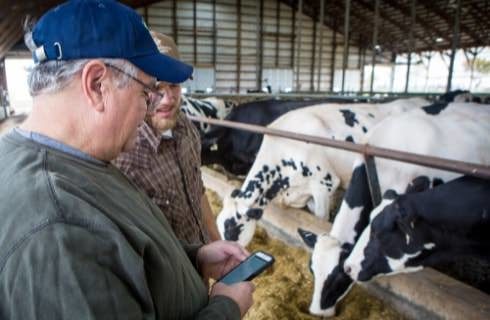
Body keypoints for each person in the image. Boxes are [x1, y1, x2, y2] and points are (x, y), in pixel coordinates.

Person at [0, 1, 254, 319]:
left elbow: (126, 254)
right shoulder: (57, 231)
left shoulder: (82, 160)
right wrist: (227, 308)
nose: (150, 109)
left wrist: (195, 257)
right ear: (97, 85)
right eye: (146, 93)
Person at [113, 31, 220, 244]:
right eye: (155, 87)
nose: (168, 99)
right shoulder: (122, 157)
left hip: (203, 262)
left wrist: (217, 241)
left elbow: (197, 190)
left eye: (174, 85)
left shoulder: (186, 128)